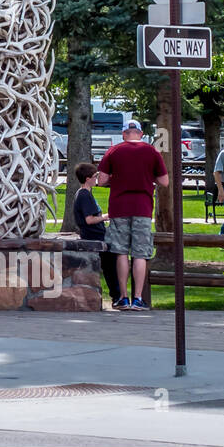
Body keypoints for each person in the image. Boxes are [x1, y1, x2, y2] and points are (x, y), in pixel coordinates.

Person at [97, 119, 168, 311]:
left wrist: (116, 177)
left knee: (120, 252)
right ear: (141, 134)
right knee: (140, 254)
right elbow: (165, 181)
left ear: (123, 134)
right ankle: (138, 298)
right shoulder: (151, 151)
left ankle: (123, 297)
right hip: (143, 208)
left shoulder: (114, 151)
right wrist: (147, 177)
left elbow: (102, 180)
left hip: (119, 208)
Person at [72, 161, 120, 305]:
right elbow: (89, 220)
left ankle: (117, 294)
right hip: (94, 235)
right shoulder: (84, 195)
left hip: (98, 234)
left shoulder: (85, 194)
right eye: (95, 176)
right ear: (87, 179)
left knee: (113, 261)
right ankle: (116, 295)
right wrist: (105, 216)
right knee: (110, 265)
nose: (96, 178)